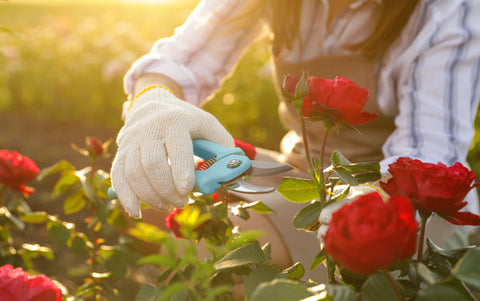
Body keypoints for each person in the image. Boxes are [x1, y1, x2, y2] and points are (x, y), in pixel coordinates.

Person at [111, 0, 480, 280]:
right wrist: (153, 101)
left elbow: (430, 157)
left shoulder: (447, 10)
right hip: (306, 173)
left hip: (404, 203)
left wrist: (357, 206)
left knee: (221, 254)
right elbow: (183, 58)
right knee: (151, 187)